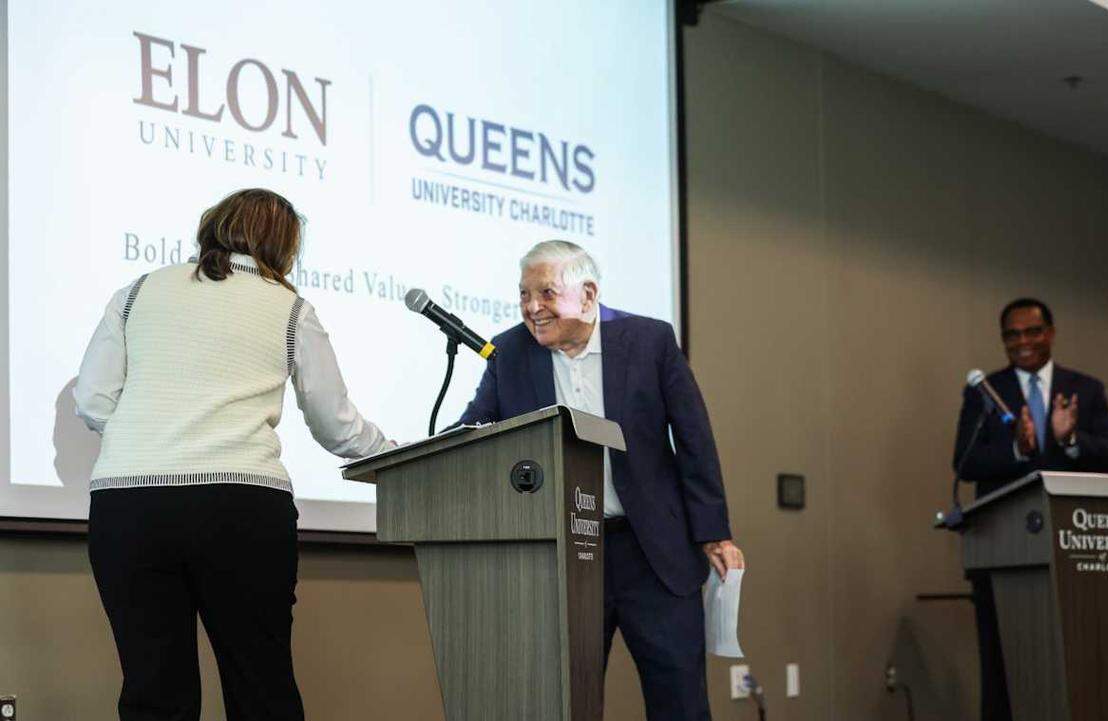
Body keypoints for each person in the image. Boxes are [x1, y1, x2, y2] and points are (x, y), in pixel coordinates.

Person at [74, 188, 391, 721]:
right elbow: (337, 427)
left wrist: (151, 438)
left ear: (212, 227)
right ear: (284, 248)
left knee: (153, 693)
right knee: (260, 686)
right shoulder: (290, 307)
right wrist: (398, 458)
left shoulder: (136, 291)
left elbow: (93, 401)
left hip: (127, 507)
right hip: (240, 508)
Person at [455, 240, 743, 721]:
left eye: (546, 293)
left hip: (653, 552)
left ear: (587, 296)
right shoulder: (509, 352)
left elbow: (695, 438)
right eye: (524, 294)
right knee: (566, 703)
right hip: (566, 558)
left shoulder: (650, 342)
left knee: (681, 702)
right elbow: (476, 429)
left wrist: (713, 530)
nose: (532, 307)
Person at [951, 297, 1108, 721]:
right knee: (1002, 668)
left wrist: (1070, 441)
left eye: (1032, 331)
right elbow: (965, 463)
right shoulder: (985, 392)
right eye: (1012, 335)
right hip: (1003, 554)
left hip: (1076, 554)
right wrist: (1014, 448)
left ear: (1051, 333)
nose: (1022, 342)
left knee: (1078, 666)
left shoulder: (1086, 389)